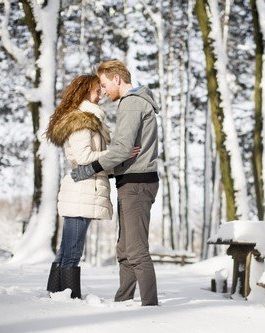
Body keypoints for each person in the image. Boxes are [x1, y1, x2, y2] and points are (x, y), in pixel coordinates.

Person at [70, 60, 160, 306]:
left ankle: (150, 306)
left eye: (104, 83)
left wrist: (91, 168)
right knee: (124, 249)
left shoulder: (130, 104)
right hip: (132, 182)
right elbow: (127, 152)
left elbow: (122, 149)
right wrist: (111, 171)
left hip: (137, 185)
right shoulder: (135, 103)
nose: (103, 90)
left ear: (117, 79)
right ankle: (123, 300)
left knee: (136, 249)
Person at [44, 74, 139, 299]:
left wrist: (117, 159)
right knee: (73, 250)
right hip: (81, 189)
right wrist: (118, 153)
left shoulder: (89, 119)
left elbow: (95, 160)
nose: (101, 93)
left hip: (84, 187)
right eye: (97, 89)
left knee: (67, 248)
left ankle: (56, 292)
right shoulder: (81, 120)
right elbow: (84, 156)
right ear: (86, 90)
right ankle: (68, 295)